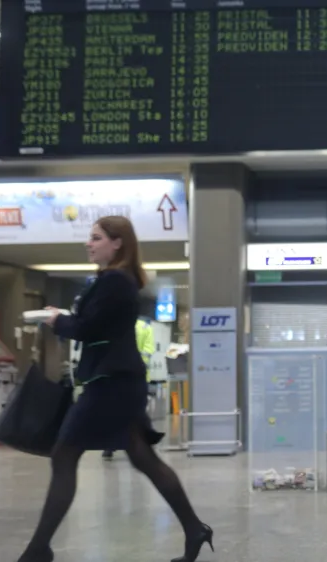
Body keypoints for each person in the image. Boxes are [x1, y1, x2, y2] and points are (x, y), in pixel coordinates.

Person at [18, 217, 212, 562]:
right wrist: (63, 317)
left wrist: (57, 321)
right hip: (118, 381)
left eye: (96, 238)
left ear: (117, 242)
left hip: (111, 384)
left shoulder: (115, 281)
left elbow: (91, 329)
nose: (88, 244)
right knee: (143, 458)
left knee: (65, 454)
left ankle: (38, 549)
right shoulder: (115, 281)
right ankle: (195, 529)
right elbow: (99, 325)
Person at [103, 317, 157, 460]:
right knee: (136, 412)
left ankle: (111, 447)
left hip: (120, 376)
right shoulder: (145, 327)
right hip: (136, 377)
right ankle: (143, 443)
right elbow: (148, 351)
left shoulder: (116, 326)